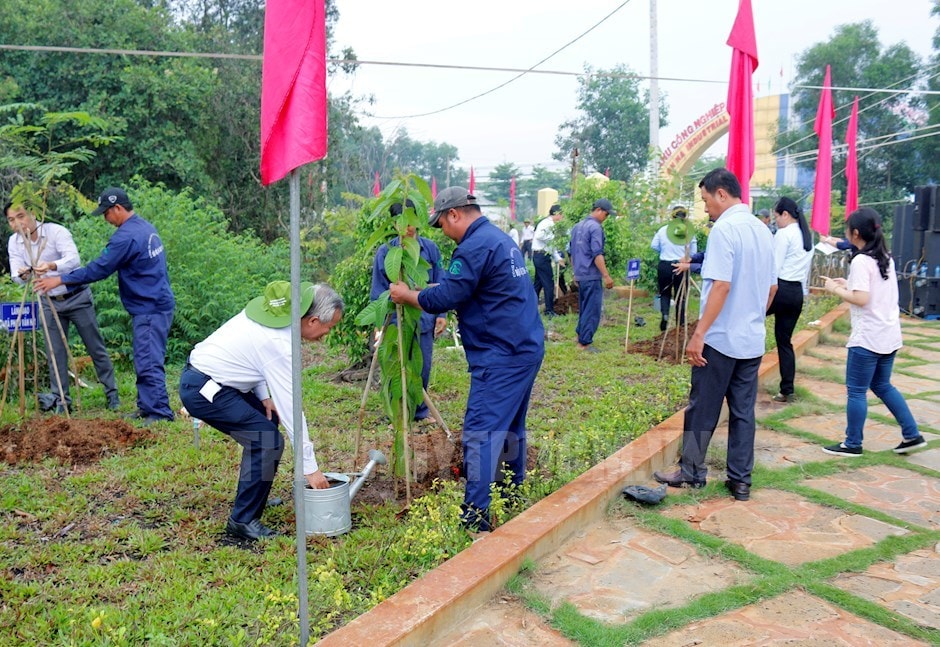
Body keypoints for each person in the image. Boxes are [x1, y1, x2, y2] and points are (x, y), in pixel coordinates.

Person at [389, 186, 544, 533]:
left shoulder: (474, 247)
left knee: (480, 433)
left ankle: (475, 517)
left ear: (454, 214)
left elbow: (446, 296)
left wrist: (406, 294)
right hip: (525, 347)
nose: (443, 232)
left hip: (501, 355)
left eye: (442, 224)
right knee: (509, 428)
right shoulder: (500, 239)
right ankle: (510, 494)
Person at [179, 281, 345, 541]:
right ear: (312, 321)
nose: (327, 333)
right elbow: (292, 407)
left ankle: (255, 497)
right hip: (203, 389)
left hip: (221, 382)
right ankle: (242, 522)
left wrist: (264, 397)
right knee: (266, 439)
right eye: (328, 327)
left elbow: (250, 356)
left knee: (268, 424)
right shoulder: (279, 343)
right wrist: (310, 467)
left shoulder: (276, 318)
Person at [654, 168, 777, 502]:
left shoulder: (725, 230)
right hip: (751, 340)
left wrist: (699, 333)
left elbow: (721, 285)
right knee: (742, 412)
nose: (705, 208)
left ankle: (692, 471)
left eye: (706, 200)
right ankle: (740, 481)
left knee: (702, 407)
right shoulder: (763, 231)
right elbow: (772, 288)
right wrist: (752, 318)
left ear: (721, 193)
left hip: (721, 339)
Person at [33, 187, 175, 423]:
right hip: (156, 301)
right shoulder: (144, 227)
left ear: (117, 208)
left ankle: (159, 412)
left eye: (106, 214)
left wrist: (60, 279)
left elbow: (99, 269)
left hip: (150, 307)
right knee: (144, 357)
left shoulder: (125, 237)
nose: (106, 219)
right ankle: (147, 406)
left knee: (148, 360)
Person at [821, 208, 926, 457]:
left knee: (857, 390)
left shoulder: (860, 260)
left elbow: (862, 298)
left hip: (867, 338)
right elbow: (873, 291)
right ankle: (912, 434)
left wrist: (833, 289)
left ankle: (852, 443)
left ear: (855, 233)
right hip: (888, 335)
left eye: (847, 229)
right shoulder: (885, 257)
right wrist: (848, 285)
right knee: (882, 385)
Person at [5, 202, 119, 413]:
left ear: (33, 213)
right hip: (48, 303)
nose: (17, 223)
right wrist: (22, 274)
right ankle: (62, 401)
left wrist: (51, 266)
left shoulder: (55, 232)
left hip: (76, 296)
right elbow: (16, 275)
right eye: (11, 219)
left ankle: (112, 394)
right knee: (54, 353)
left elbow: (74, 260)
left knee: (95, 347)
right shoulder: (15, 243)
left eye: (20, 216)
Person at [370, 200, 447, 421]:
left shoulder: (430, 249)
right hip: (394, 321)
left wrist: (441, 315)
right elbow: (378, 291)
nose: (407, 226)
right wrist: (379, 324)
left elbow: (440, 284)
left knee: (421, 366)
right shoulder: (385, 253)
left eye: (411, 220)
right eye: (400, 221)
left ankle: (420, 411)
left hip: (424, 319)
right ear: (393, 224)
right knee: (393, 366)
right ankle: (396, 412)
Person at [767, 197, 813, 403]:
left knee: (747, 321)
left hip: (780, 289)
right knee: (784, 342)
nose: (776, 222)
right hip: (796, 293)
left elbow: (773, 269)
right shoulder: (806, 236)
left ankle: (739, 380)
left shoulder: (784, 234)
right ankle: (787, 389)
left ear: (785, 214)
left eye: (776, 217)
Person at [570, 198, 615, 352]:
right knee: (592, 309)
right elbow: (597, 254)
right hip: (591, 274)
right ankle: (584, 343)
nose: (606, 218)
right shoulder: (595, 228)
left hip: (581, 274)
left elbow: (572, 252)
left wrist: (575, 272)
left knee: (584, 307)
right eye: (606, 215)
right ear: (599, 210)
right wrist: (606, 276)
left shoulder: (577, 227)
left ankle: (579, 335)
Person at [650, 204, 698, 331]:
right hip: (681, 266)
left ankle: (665, 315)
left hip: (665, 265)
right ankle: (680, 325)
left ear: (672, 216)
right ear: (685, 217)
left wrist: (664, 251)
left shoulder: (663, 230)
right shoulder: (689, 232)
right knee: (681, 296)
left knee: (664, 293)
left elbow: (654, 245)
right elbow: (693, 253)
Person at [531, 204, 566, 317]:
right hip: (541, 256)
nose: (562, 217)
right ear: (556, 214)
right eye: (561, 214)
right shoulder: (547, 223)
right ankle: (549, 311)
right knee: (549, 284)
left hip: (541, 256)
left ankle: (529, 306)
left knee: (538, 283)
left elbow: (551, 246)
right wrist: (553, 237)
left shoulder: (550, 224)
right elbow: (539, 236)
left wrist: (558, 259)